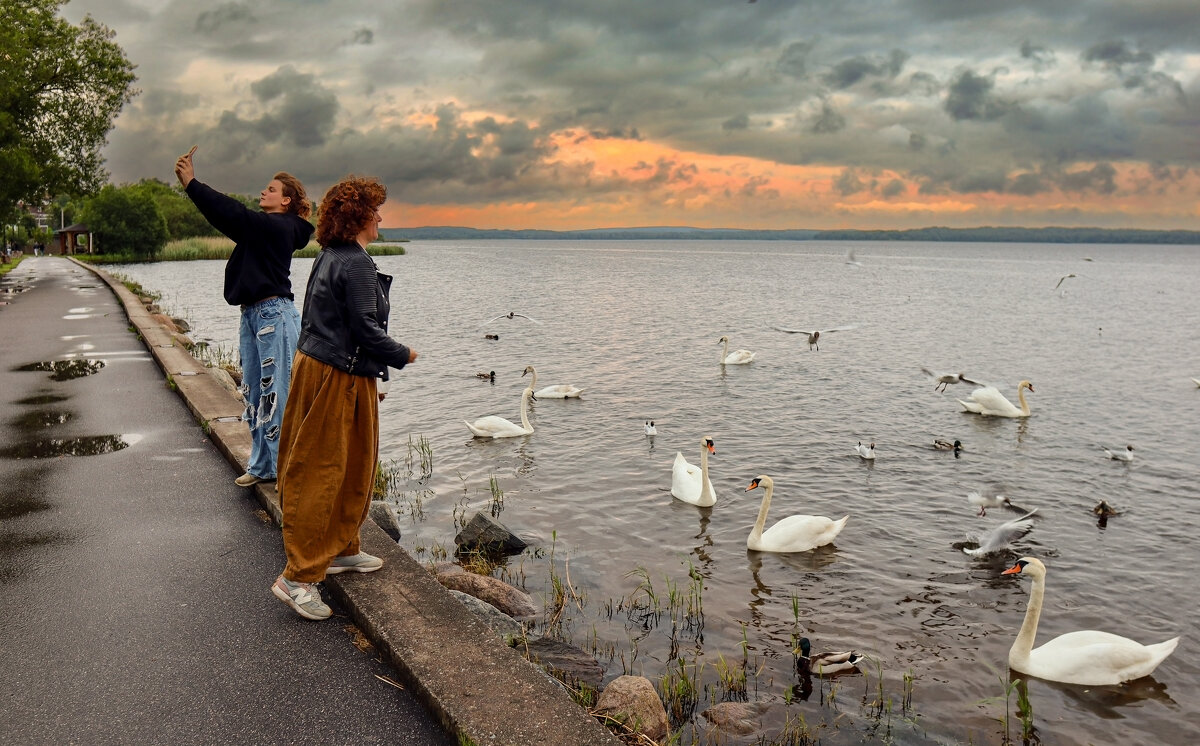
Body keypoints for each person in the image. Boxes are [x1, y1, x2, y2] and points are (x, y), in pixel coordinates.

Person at [271, 175, 418, 620]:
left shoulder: (331, 254)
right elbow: (365, 330)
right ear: (359, 216)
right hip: (338, 374)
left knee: (352, 464)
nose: (380, 218)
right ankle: (297, 578)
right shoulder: (354, 262)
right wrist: (403, 354)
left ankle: (339, 549)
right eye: (375, 210)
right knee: (323, 471)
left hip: (328, 368)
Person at [174, 146, 314, 488]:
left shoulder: (278, 227)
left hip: (274, 315)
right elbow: (230, 217)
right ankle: (263, 466)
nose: (263, 192)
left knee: (276, 394)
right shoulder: (265, 229)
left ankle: (285, 469)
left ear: (286, 202)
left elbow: (231, 213)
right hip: (253, 315)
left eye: (271, 189)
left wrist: (192, 183)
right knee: (254, 392)